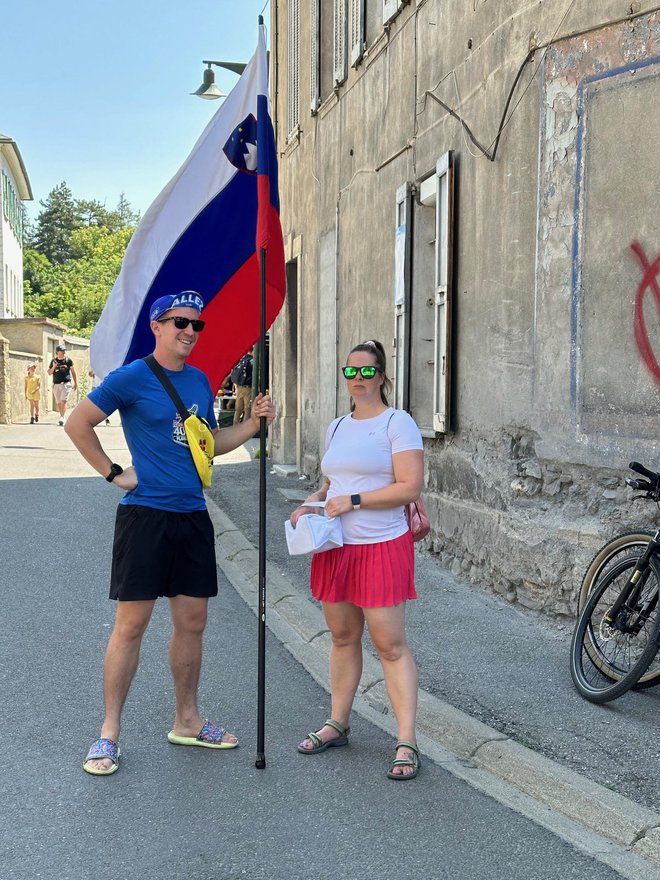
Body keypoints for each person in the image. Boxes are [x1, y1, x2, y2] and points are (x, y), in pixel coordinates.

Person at [64, 290, 276, 776]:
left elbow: (207, 446)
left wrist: (252, 424)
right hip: (146, 518)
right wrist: (114, 472)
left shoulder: (200, 381)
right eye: (179, 322)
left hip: (191, 516)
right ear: (157, 326)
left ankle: (187, 719)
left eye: (195, 325)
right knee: (131, 626)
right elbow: (79, 423)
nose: (189, 331)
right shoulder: (133, 377)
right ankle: (109, 732)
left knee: (193, 623)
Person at [290, 340, 424, 780]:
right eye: (351, 372)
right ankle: (338, 722)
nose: (359, 379)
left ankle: (406, 741)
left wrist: (355, 500)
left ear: (382, 376)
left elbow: (409, 487)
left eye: (367, 372)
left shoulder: (396, 423)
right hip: (336, 548)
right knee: (342, 637)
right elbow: (333, 485)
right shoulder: (336, 427)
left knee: (390, 645)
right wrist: (310, 503)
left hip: (382, 546)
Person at [48, 344, 77, 426]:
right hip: (56, 384)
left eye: (64, 350)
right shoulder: (53, 361)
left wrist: (75, 383)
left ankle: (62, 417)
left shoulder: (68, 360)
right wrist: (53, 367)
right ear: (57, 352)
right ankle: (61, 416)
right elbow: (49, 373)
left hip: (66, 384)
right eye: (62, 351)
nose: (64, 352)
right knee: (58, 402)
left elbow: (73, 372)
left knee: (63, 401)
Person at [231, 347, 254, 424]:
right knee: (247, 408)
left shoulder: (241, 360)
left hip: (239, 387)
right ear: (252, 351)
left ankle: (235, 426)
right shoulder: (251, 360)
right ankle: (245, 426)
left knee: (238, 408)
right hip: (247, 388)